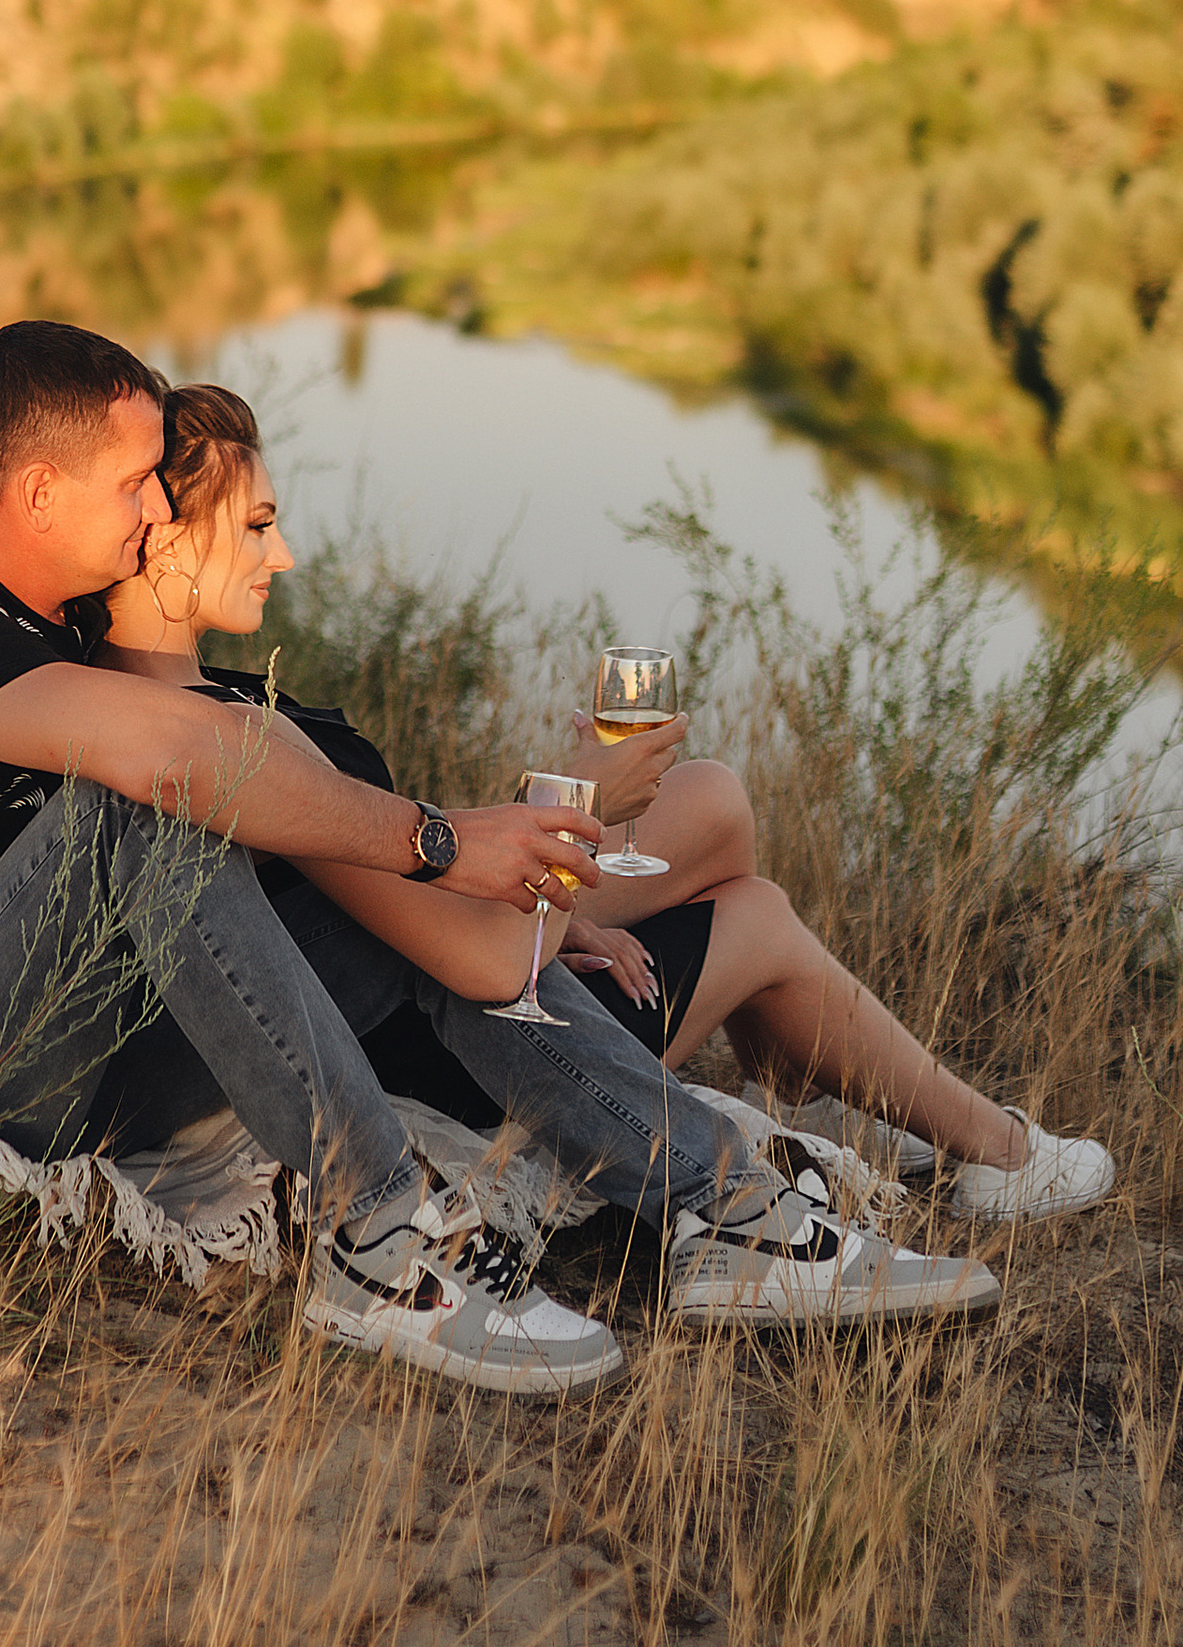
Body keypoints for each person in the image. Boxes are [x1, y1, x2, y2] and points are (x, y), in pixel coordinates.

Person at [0, 320, 984, 1403]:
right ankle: (376, 1240)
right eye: (135, 483)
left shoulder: (74, 604)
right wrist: (446, 842)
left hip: (74, 1061)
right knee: (146, 803)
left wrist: (441, 866)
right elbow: (185, 758)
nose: (151, 514)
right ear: (35, 491)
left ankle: (726, 1211)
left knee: (392, 904)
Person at [97, 381, 1114, 1229]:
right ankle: (996, 1150)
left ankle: (790, 1065)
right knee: (752, 911)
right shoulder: (225, 735)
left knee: (708, 798)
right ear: (166, 539)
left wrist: (564, 885)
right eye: (259, 526)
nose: (280, 555)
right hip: (459, 1049)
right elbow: (475, 964)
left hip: (420, 944)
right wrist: (575, 802)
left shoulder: (147, 702)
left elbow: (374, 870)